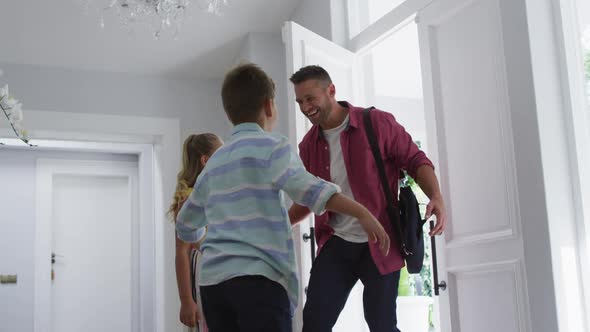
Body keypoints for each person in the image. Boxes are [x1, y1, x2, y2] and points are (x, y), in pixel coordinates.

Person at [176, 63, 390, 332]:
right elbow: (312, 190)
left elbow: (185, 224)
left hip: (214, 287)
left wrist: (204, 241)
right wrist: (361, 212)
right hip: (260, 282)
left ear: (229, 113)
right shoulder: (272, 147)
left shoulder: (216, 161)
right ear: (269, 106)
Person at [288, 65, 448, 332]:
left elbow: (415, 160)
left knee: (381, 324)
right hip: (336, 242)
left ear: (331, 91)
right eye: (300, 101)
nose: (305, 107)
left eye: (310, 98)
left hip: (381, 242)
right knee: (314, 323)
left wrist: (436, 196)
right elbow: (310, 197)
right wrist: (276, 225)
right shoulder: (308, 145)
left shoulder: (376, 123)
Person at [168, 133, 223, 330]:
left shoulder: (218, 194)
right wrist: (186, 300)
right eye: (221, 153)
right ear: (206, 161)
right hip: (201, 272)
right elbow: (182, 251)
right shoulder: (189, 201)